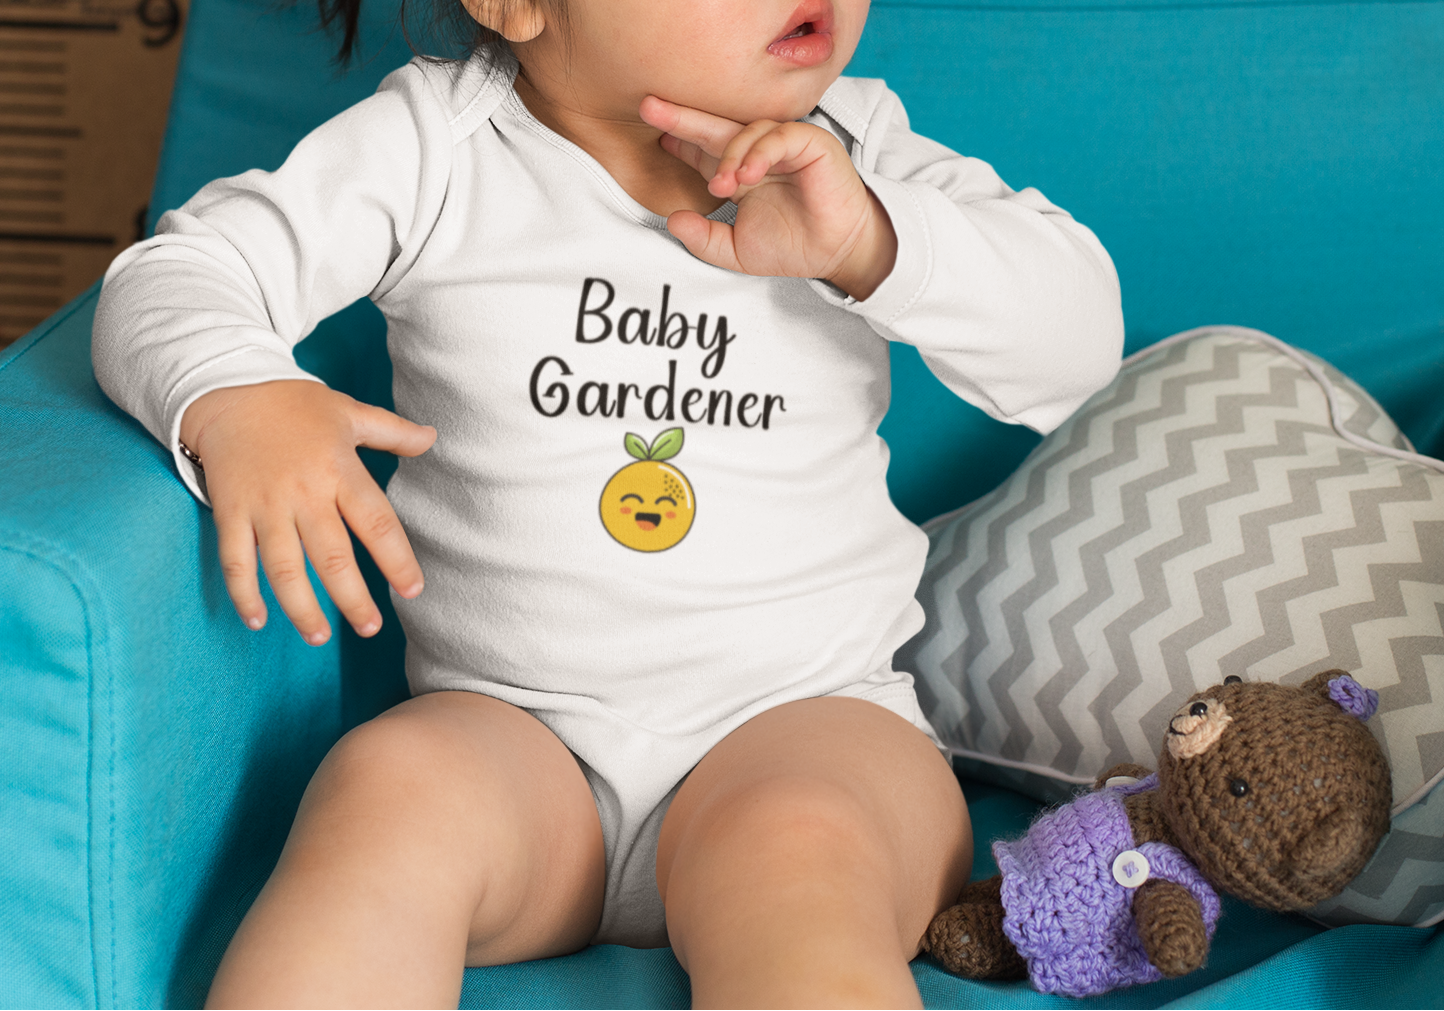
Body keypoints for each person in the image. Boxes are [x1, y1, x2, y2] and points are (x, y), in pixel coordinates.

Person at [93, 0, 1124, 1005]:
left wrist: (873, 245)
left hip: (808, 722)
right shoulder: (433, 149)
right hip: (518, 749)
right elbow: (177, 274)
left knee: (797, 856)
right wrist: (239, 397)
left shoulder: (858, 153)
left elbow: (1078, 345)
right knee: (385, 790)